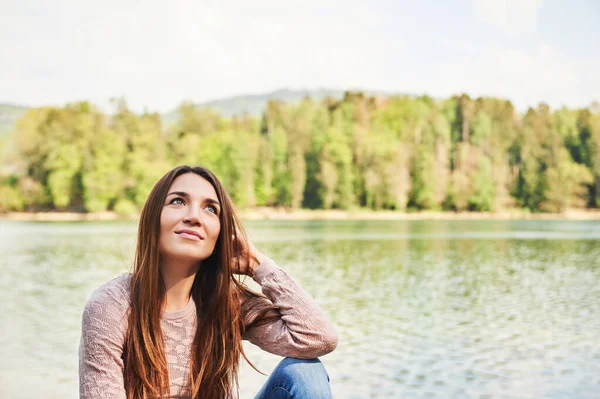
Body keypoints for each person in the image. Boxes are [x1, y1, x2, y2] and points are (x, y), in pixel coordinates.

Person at [79, 165, 338, 399]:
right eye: (178, 201)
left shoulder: (227, 302)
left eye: (210, 209)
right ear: (152, 219)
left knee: (306, 373)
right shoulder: (111, 306)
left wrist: (257, 265)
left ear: (220, 234)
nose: (194, 217)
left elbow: (318, 338)